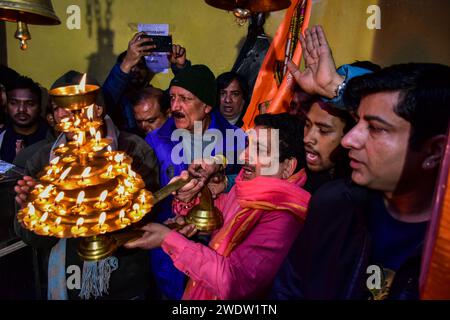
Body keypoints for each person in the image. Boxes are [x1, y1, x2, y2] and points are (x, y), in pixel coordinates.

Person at [270, 28, 450, 298]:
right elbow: (289, 290)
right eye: (357, 122)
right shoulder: (333, 204)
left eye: (376, 128)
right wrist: (336, 87)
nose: (349, 140)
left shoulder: (441, 249)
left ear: (435, 151)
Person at [126, 113, 311, 300]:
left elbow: (234, 282)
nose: (243, 155)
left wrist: (167, 239)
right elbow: (214, 213)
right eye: (248, 145)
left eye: (260, 150)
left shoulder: (285, 219)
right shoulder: (248, 188)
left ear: (287, 167)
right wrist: (188, 195)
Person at [14, 71, 160, 300]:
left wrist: (102, 198)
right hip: (67, 281)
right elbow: (30, 237)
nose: (64, 114)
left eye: (74, 105)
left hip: (124, 280)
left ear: (98, 110)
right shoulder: (41, 160)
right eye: (57, 107)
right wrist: (40, 210)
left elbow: (146, 218)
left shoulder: (133, 152)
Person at [145, 64, 244, 300]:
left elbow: (251, 181)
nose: (175, 106)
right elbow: (144, 193)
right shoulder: (155, 141)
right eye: (172, 98)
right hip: (170, 247)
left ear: (207, 105)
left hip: (219, 250)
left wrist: (224, 179)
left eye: (185, 99)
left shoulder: (235, 139)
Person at [103, 32, 189, 132]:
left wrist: (181, 68)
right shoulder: (117, 104)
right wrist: (127, 63)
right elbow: (104, 102)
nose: (135, 70)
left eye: (139, 65)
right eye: (131, 66)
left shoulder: (158, 97)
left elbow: (187, 95)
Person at [0, 76, 49, 163]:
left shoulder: (53, 139)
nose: (21, 109)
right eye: (14, 103)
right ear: (6, 105)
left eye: (30, 104)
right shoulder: (2, 136)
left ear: (40, 107)